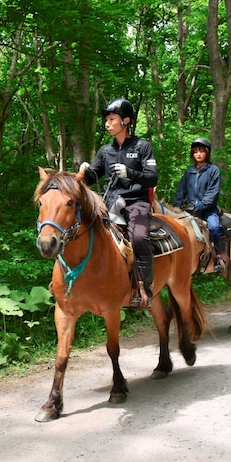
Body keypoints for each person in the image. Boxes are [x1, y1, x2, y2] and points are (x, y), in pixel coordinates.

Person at [81, 98, 158, 310]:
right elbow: (91, 177)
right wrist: (84, 171)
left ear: (125, 120)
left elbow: (152, 178)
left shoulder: (143, 147)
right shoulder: (105, 151)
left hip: (137, 203)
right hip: (110, 203)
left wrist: (130, 173)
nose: (107, 123)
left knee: (139, 238)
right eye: (106, 119)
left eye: (112, 119)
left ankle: (145, 290)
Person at [173, 137, 225, 272]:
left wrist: (200, 206)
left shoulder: (213, 170)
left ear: (207, 152)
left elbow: (213, 192)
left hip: (207, 209)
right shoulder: (189, 171)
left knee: (214, 226)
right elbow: (181, 190)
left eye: (201, 151)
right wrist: (177, 205)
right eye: (195, 151)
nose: (198, 154)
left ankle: (220, 257)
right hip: (189, 210)